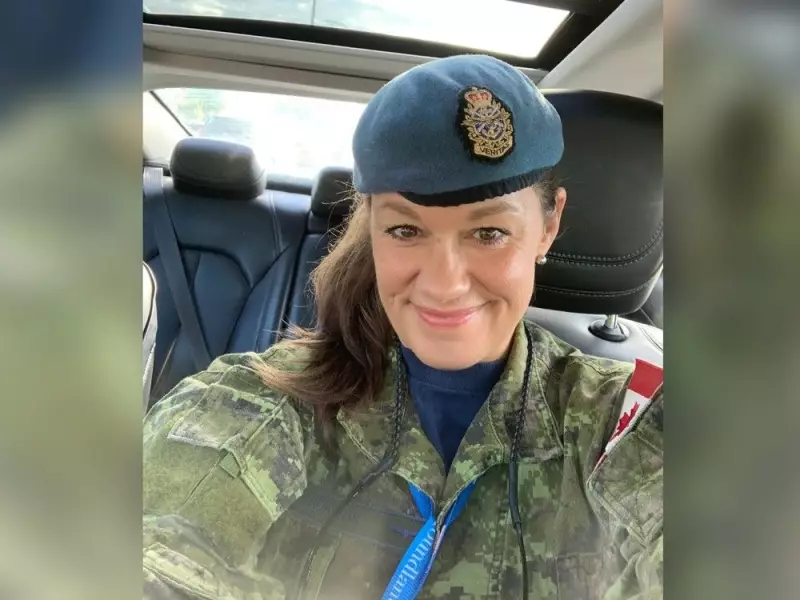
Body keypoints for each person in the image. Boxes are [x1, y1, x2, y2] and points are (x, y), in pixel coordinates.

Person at [143, 54, 663, 600]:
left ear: (548, 225)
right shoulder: (259, 404)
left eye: (488, 233)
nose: (444, 284)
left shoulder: (622, 425)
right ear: (371, 227)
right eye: (405, 231)